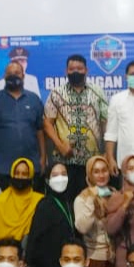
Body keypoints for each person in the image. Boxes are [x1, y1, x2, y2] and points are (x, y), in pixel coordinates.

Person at [44, 54, 109, 202]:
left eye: (79, 68)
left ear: (86, 70)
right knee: (65, 201)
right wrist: (60, 145)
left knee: (91, 202)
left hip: (91, 161)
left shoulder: (97, 92)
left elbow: (105, 122)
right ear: (66, 71)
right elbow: (47, 123)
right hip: (64, 160)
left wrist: (106, 152)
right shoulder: (56, 93)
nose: (75, 72)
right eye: (72, 69)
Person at [0, 61, 46, 191]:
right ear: (4, 77)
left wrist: (43, 157)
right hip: (1, 167)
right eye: (9, 73)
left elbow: (40, 130)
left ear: (23, 76)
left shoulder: (34, 99)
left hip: (30, 166)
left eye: (16, 73)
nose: (13, 75)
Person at [25, 163, 76, 267]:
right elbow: (35, 237)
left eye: (63, 174)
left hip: (68, 262)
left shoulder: (70, 201)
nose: (60, 178)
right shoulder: (44, 205)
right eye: (55, 175)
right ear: (48, 180)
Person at [73, 156, 116, 267]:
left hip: (114, 259)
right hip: (94, 258)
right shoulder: (82, 198)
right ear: (90, 175)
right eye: (96, 172)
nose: (101, 175)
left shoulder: (114, 194)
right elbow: (82, 228)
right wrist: (92, 198)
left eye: (104, 170)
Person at [0, 158, 42, 247]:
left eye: (24, 174)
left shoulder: (39, 202)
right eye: (17, 173)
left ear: (30, 176)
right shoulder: (0, 201)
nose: (20, 177)